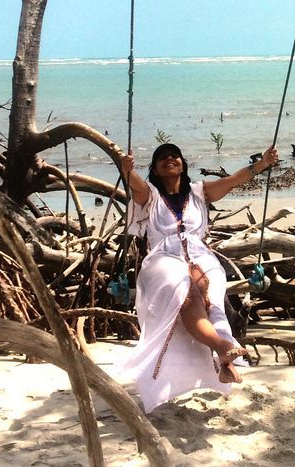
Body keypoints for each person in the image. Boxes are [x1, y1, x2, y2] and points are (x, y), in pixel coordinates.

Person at [115, 141, 279, 412]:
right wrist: (127, 170)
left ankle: (224, 361)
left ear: (183, 163)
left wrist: (261, 164)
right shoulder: (151, 195)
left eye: (174, 155)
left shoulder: (199, 192)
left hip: (200, 255)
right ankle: (222, 346)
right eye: (162, 157)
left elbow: (233, 180)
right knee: (187, 291)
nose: (170, 158)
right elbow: (136, 186)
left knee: (212, 298)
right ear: (155, 169)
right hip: (162, 260)